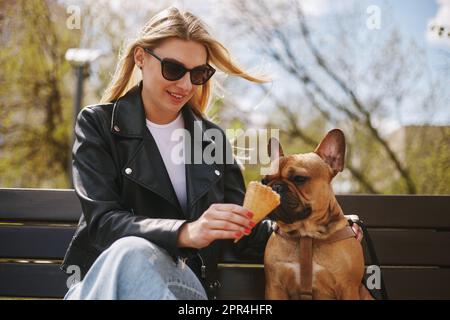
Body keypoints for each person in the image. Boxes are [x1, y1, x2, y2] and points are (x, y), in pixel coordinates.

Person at [61, 6, 273, 300]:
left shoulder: (210, 140)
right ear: (141, 58)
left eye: (198, 73)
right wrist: (186, 231)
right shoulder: (98, 125)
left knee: (132, 252)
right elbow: (103, 222)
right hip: (100, 284)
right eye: (173, 69)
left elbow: (243, 228)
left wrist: (333, 226)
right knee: (130, 252)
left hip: (182, 286)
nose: (185, 85)